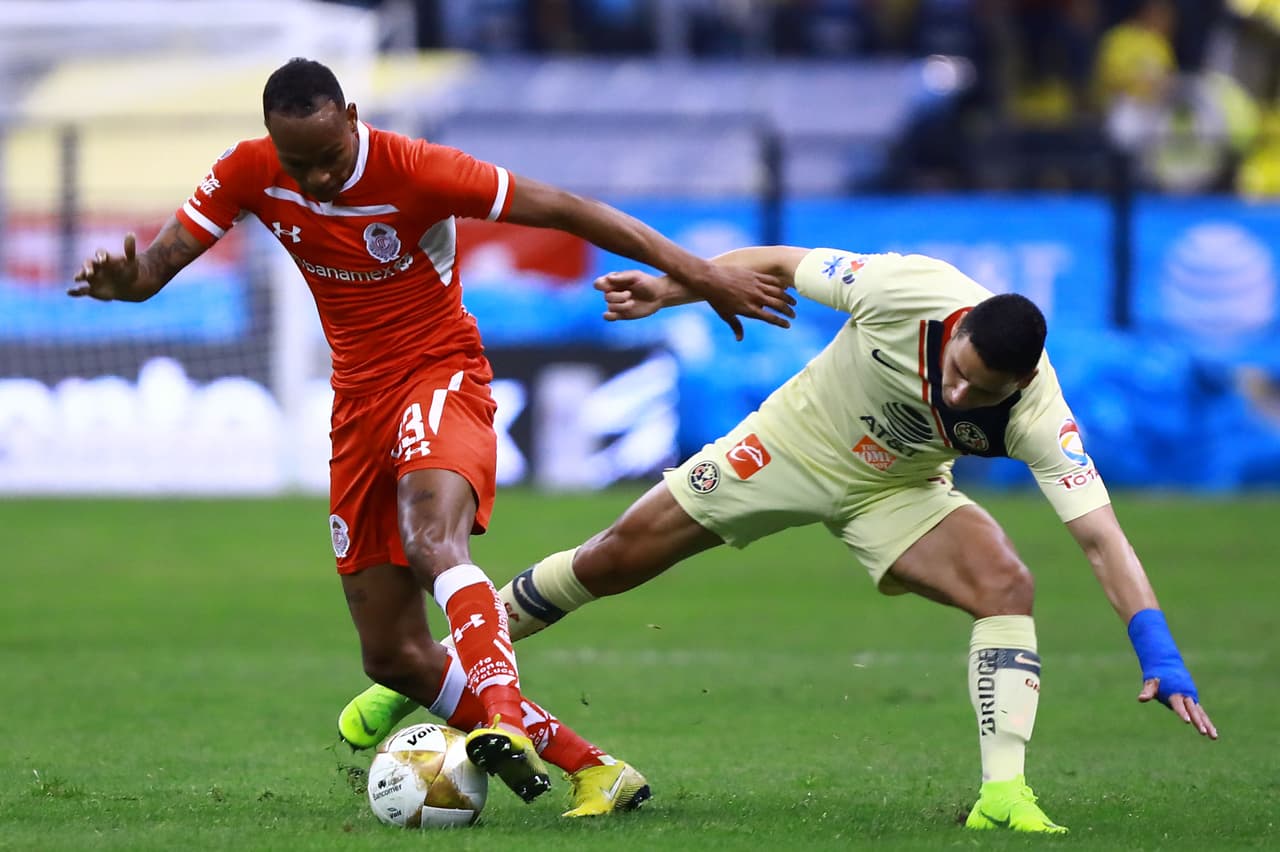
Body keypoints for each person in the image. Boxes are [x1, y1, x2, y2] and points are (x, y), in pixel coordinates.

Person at [68, 57, 794, 814]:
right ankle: (595, 769)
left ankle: (505, 719)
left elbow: (570, 210)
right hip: (357, 403)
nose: (314, 180)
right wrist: (131, 281)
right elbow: (156, 266)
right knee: (392, 655)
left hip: (438, 372)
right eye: (297, 163)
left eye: (329, 158)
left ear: (353, 118)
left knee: (431, 540)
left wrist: (704, 276)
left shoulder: (419, 170)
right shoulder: (250, 170)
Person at [340, 245, 1219, 834]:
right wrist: (672, 287)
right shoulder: (908, 290)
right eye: (953, 369)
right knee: (611, 561)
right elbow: (780, 263)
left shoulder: (1038, 412)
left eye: (977, 389)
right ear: (956, 331)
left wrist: (1161, 652)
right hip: (789, 446)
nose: (955, 391)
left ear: (1019, 382)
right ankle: (439, 668)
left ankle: (1004, 794)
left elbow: (1102, 539)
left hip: (899, 491)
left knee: (1006, 587)